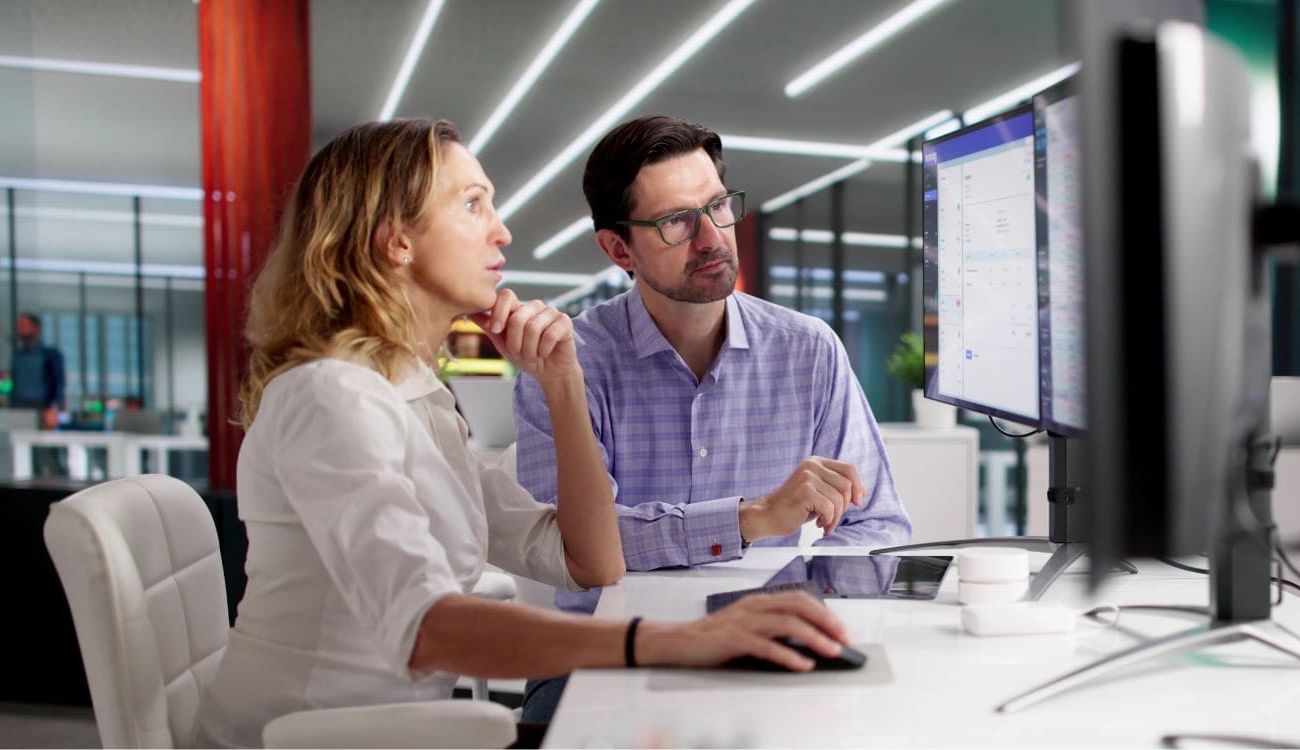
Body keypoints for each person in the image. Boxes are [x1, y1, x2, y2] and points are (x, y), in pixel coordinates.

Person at [191, 118, 853, 749]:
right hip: (303, 739)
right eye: (474, 205)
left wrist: (562, 382)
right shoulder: (331, 395)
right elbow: (426, 630)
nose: (502, 233)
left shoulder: (413, 400)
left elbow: (590, 562)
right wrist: (674, 639)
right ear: (398, 240)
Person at [512, 115, 913, 721]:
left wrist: (793, 598)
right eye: (676, 220)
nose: (711, 238)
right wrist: (748, 519)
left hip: (760, 645)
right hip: (598, 655)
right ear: (619, 248)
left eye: (718, 206)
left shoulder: (808, 350)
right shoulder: (566, 364)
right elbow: (572, 546)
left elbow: (879, 528)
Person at [8, 313, 64, 430]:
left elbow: (57, 383)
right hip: (19, 406)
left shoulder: (50, 355)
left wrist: (53, 407)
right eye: (19, 326)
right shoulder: (17, 356)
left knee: (43, 445)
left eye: (24, 325)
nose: (20, 329)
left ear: (35, 328)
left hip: (42, 407)